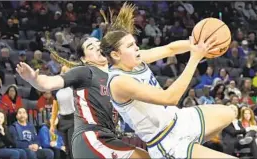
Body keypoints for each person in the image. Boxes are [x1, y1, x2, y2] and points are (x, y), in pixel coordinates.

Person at [16, 3, 194, 159]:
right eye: (90, 47)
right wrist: (33, 78)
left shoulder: (118, 69)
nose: (97, 47)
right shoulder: (84, 71)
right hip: (91, 137)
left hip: (110, 136)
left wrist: (193, 44)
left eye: (97, 43)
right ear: (85, 59)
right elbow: (48, 83)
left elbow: (167, 49)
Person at [101, 3, 238, 159]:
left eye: (135, 43)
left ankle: (193, 148)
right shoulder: (119, 82)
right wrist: (195, 58)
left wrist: (199, 45)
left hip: (179, 120)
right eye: (130, 46)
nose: (137, 48)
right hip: (166, 139)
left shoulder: (136, 60)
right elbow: (170, 98)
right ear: (116, 55)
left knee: (230, 111)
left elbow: (170, 49)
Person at [50, 65, 75, 159]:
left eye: (66, 72)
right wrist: (52, 124)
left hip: (73, 119)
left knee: (73, 148)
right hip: (62, 120)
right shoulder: (57, 91)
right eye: (62, 72)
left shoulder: (74, 88)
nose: (64, 74)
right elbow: (55, 109)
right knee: (67, 149)